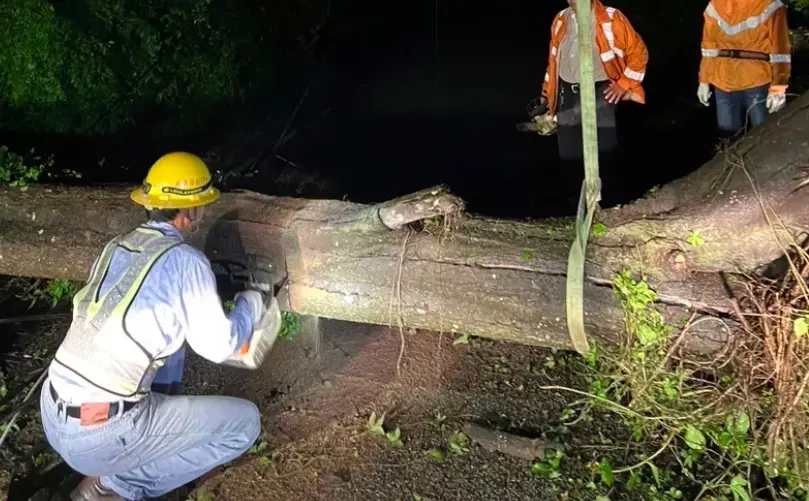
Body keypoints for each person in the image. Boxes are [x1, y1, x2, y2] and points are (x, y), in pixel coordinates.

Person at [39, 152, 266, 501]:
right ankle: (111, 486)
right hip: (100, 435)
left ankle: (128, 453)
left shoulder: (115, 247)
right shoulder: (186, 261)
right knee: (244, 425)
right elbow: (221, 347)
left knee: (170, 345)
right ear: (191, 212)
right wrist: (252, 303)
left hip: (53, 416)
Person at [540, 0, 648, 164]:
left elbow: (639, 54)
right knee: (569, 154)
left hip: (600, 92)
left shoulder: (611, 17)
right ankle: (577, 187)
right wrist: (546, 98)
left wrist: (623, 84)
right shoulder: (560, 19)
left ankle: (607, 187)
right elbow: (553, 63)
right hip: (567, 94)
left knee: (604, 151)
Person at [697, 0, 791, 137]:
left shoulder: (770, 5)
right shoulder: (716, 5)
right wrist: (704, 80)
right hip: (727, 80)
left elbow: (780, 49)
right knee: (731, 139)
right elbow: (709, 48)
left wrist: (778, 86)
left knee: (764, 136)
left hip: (755, 81)